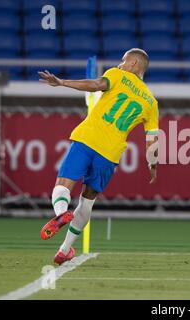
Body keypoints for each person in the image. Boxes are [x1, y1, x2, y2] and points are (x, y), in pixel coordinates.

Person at [38, 48, 159, 265]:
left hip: (87, 140)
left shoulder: (117, 75)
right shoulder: (151, 102)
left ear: (133, 64)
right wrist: (153, 164)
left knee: (63, 184)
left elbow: (95, 85)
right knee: (87, 202)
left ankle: (62, 213)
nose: (120, 64)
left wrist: (62, 82)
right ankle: (64, 250)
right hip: (109, 154)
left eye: (123, 61)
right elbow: (151, 138)